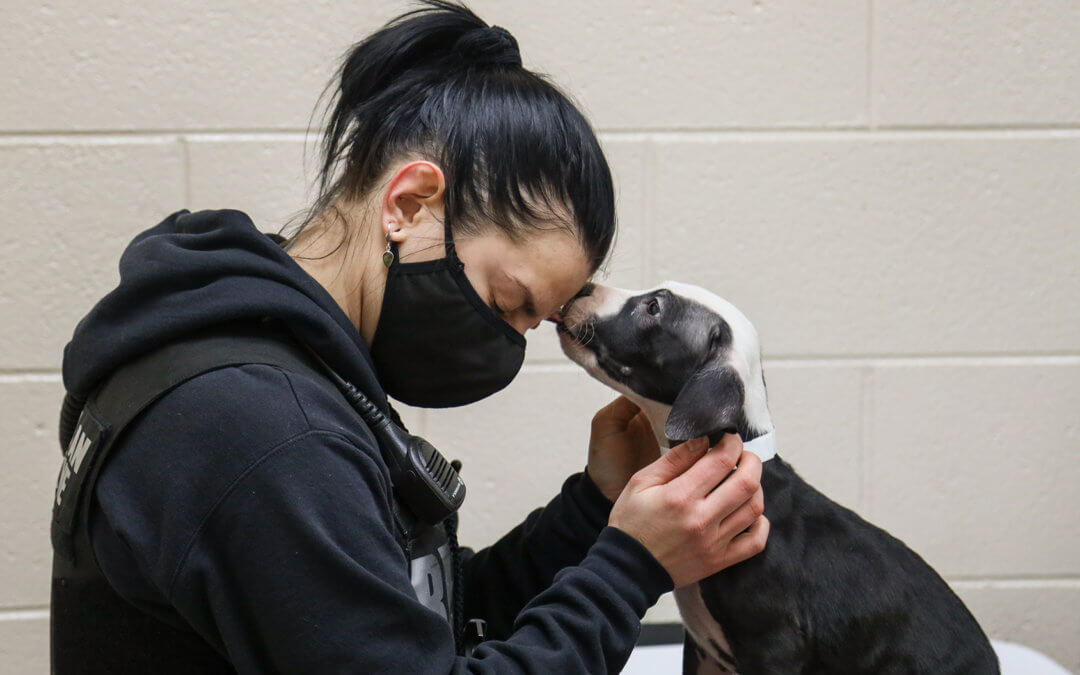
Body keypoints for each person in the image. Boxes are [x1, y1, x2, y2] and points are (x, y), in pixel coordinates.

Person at [51, 1, 768, 672]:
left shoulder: (281, 359)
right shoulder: (264, 432)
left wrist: (594, 509)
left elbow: (411, 622)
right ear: (408, 203)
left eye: (530, 322)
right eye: (507, 299)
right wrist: (632, 566)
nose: (508, 343)